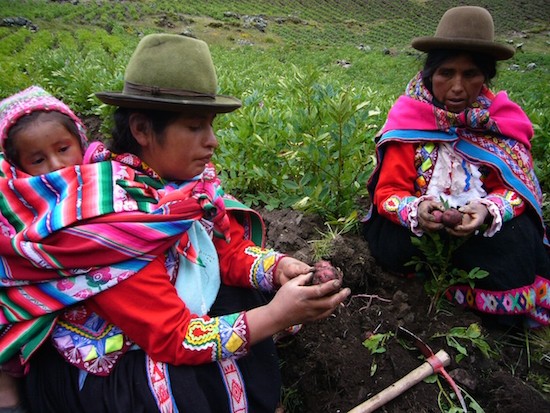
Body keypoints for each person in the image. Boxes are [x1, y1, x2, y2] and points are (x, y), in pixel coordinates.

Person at [0, 34, 350, 412]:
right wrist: (276, 315)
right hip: (117, 365)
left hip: (165, 323)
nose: (212, 141)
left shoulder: (183, 189)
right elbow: (172, 336)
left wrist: (277, 267)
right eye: (195, 127)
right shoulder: (109, 221)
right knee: (169, 374)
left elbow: (223, 250)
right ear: (142, 130)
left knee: (241, 295)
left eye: (210, 126)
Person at [362, 6, 550, 328]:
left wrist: (487, 211)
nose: (458, 86)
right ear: (429, 74)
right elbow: (388, 192)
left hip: (476, 229)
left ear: (486, 77)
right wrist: (416, 210)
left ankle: (488, 311)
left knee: (520, 238)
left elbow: (518, 190)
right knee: (391, 240)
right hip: (418, 230)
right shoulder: (409, 119)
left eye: (471, 74)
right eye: (446, 73)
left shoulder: (502, 122)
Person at [0, 85, 89, 413]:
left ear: (81, 142)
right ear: (18, 167)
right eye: (38, 160)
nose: (55, 164)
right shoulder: (14, 206)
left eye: (64, 149)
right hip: (35, 319)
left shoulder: (107, 183)